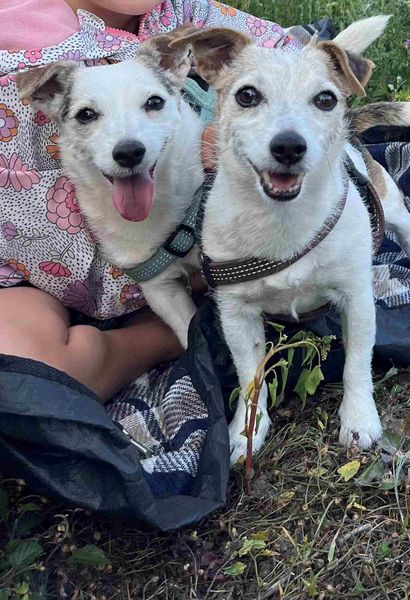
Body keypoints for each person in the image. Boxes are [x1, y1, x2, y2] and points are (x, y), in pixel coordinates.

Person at [0, 0, 296, 400]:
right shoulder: (13, 37)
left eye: (153, 103)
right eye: (89, 115)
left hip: (190, 241)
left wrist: (226, 131)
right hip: (36, 277)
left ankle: (194, 315)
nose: (128, 145)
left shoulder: (183, 14)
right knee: (31, 374)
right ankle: (172, 336)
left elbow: (294, 63)